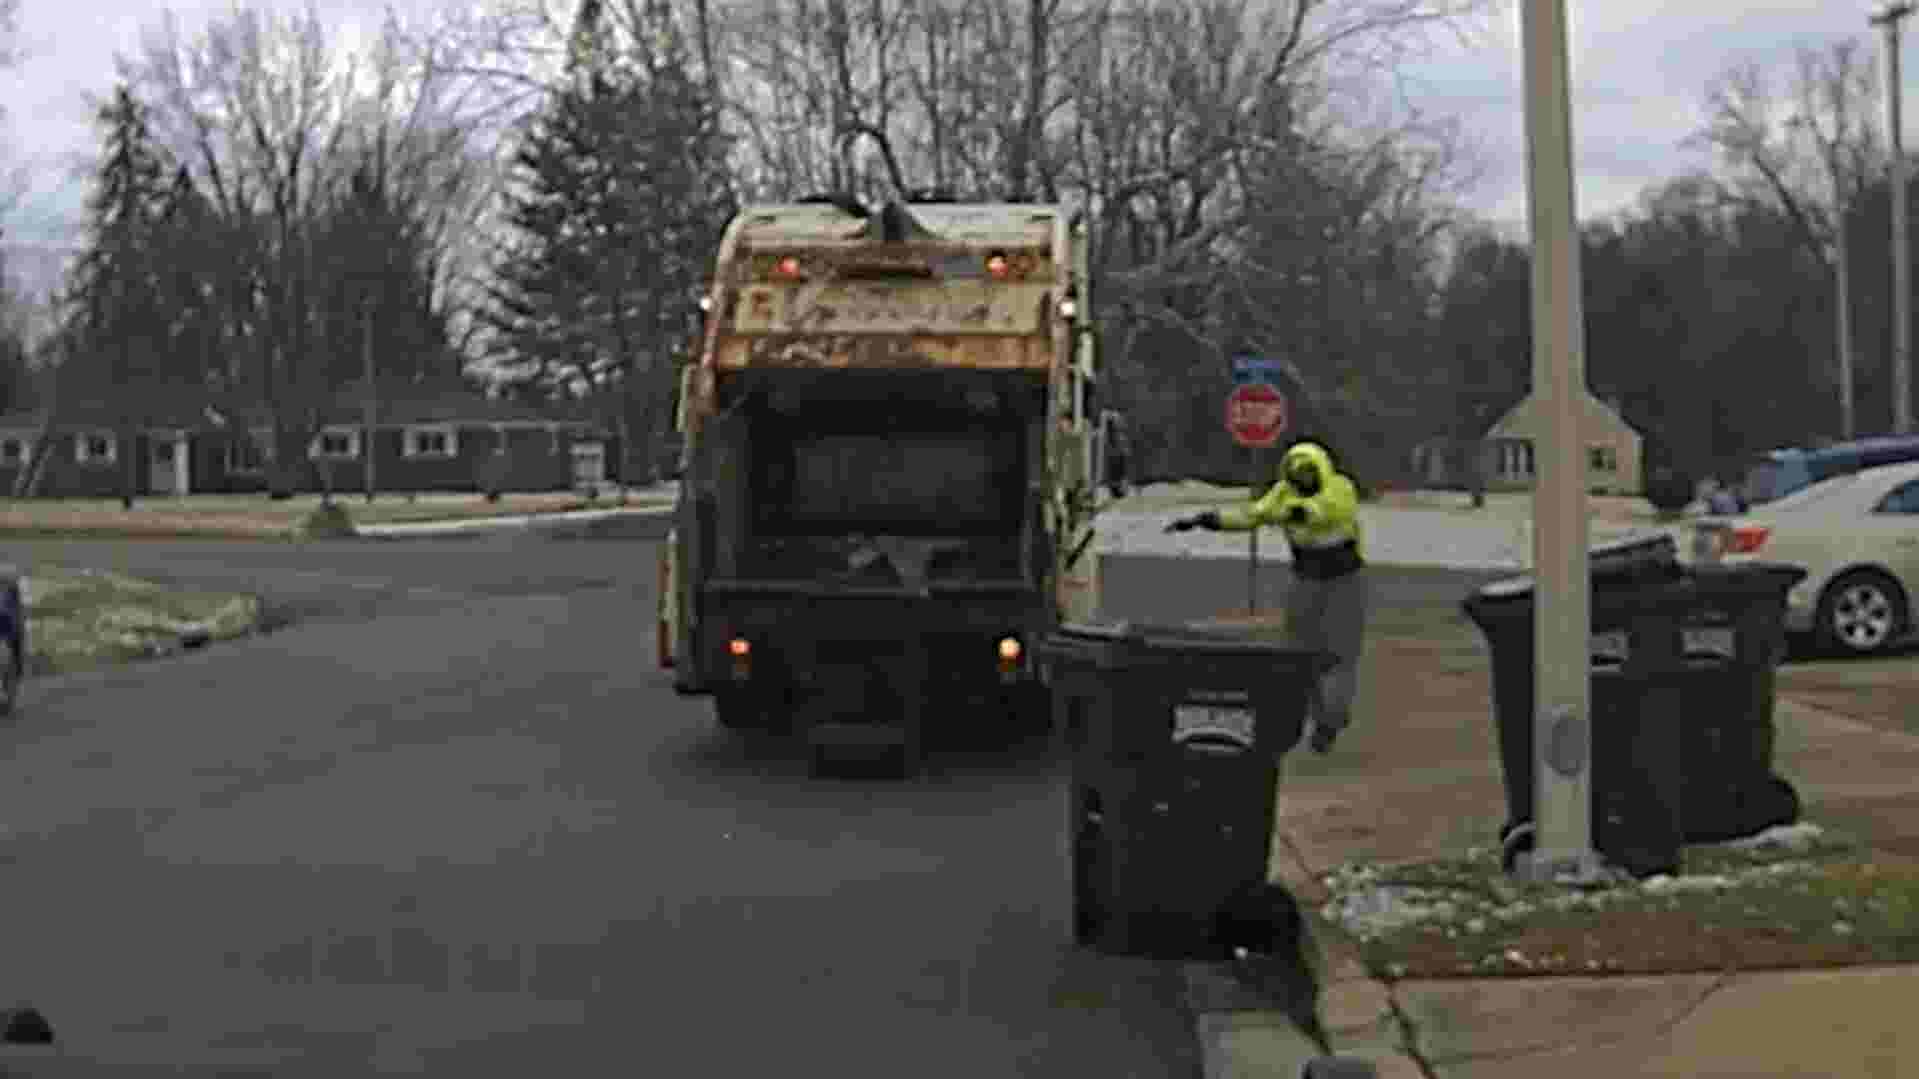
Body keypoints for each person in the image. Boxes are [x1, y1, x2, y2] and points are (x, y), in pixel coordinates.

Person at [1164, 440, 1368, 754]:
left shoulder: (1340, 487)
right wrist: (1208, 520)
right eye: (1296, 474)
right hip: (1304, 580)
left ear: (1322, 469)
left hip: (1344, 582)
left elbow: (1325, 510)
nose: (1302, 479)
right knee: (1300, 653)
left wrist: (1290, 512)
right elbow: (1252, 515)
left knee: (1340, 655)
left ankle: (1332, 720)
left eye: (1308, 472)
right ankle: (1311, 715)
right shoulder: (1283, 493)